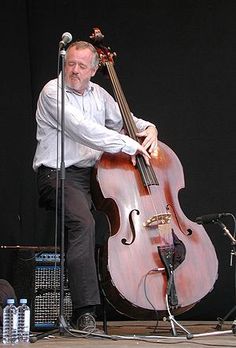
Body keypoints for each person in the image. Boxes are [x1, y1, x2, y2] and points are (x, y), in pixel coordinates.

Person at [33, 41, 158, 333]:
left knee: (103, 231)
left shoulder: (99, 95)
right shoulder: (52, 92)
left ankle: (124, 298)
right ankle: (84, 313)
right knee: (83, 223)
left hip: (91, 176)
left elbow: (127, 123)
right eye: (70, 64)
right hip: (57, 174)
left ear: (94, 69)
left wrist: (149, 128)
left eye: (81, 66)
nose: (74, 71)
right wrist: (130, 145)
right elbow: (87, 131)